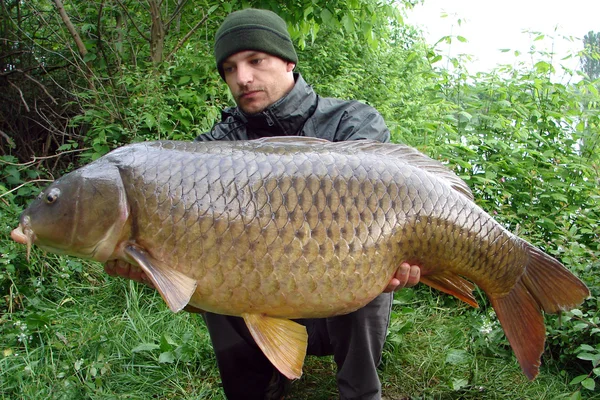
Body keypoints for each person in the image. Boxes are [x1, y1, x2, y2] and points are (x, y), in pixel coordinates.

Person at [105, 8, 420, 400]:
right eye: (230, 69)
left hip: (340, 295)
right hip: (262, 297)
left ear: (288, 61)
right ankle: (257, 389)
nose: (243, 78)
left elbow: (397, 196)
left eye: (255, 61)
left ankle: (360, 392)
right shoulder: (213, 149)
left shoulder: (352, 124)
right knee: (214, 270)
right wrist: (157, 264)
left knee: (367, 267)